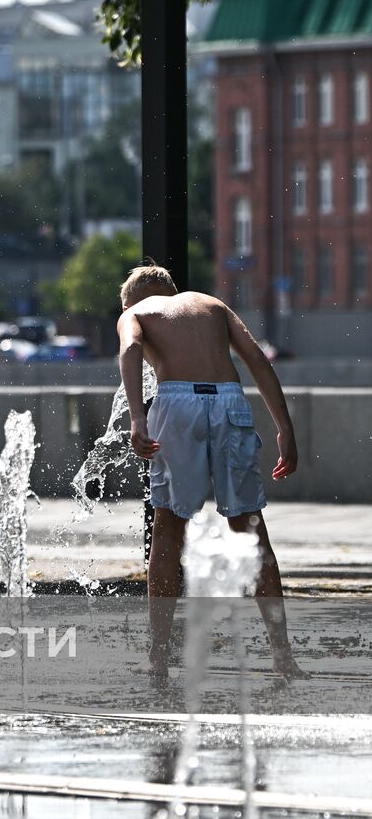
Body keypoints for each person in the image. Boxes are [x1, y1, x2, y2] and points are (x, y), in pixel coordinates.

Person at [117, 263, 307, 685]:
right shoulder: (211, 304)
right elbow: (257, 358)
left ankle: (159, 661)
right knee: (251, 530)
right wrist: (285, 428)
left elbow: (130, 350)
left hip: (177, 402)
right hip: (229, 400)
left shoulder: (137, 312)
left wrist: (137, 418)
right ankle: (283, 659)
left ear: (131, 299)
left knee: (168, 528)